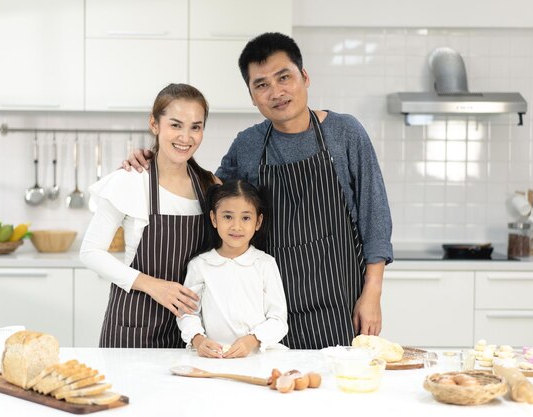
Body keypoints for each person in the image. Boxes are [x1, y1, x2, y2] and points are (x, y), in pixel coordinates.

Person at [123, 33, 393, 349]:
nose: (276, 92)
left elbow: (374, 216)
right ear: (251, 95)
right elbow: (208, 194)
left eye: (284, 77)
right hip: (267, 311)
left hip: (341, 301)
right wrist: (155, 160)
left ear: (304, 77)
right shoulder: (248, 144)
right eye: (261, 84)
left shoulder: (344, 133)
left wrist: (372, 293)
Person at [80, 83, 219, 348]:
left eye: (196, 127)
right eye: (175, 125)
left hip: (193, 331)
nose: (185, 137)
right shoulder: (131, 180)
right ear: (154, 124)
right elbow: (90, 252)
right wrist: (153, 285)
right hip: (134, 327)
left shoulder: (210, 185)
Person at [177, 180, 288, 358]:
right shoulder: (200, 265)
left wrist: (252, 340)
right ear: (214, 219)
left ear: (258, 222)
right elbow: (187, 313)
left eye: (245, 218)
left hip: (258, 358)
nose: (236, 226)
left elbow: (278, 320)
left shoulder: (265, 264)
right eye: (227, 217)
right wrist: (198, 341)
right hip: (213, 358)